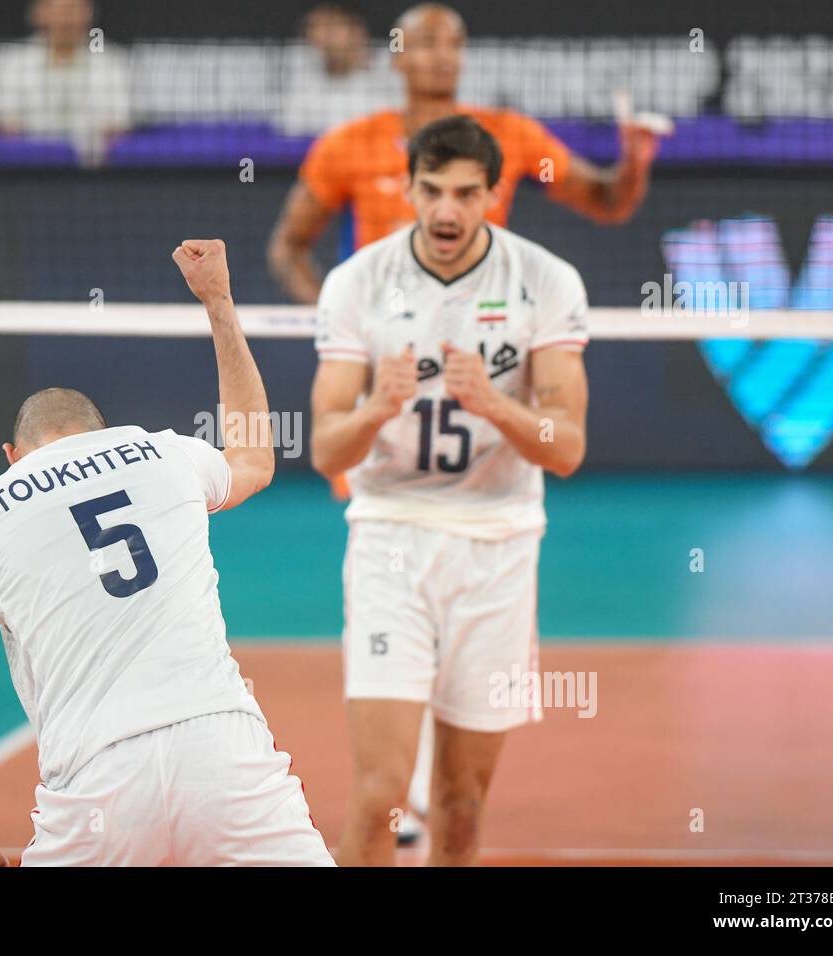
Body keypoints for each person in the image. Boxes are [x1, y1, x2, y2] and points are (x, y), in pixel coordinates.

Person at [0, 240, 334, 867]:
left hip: (95, 787)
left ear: (11, 457)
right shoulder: (162, 452)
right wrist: (217, 301)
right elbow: (253, 457)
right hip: (222, 754)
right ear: (102, 433)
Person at [309, 116, 589, 866]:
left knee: (462, 810)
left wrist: (496, 402)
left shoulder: (546, 281)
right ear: (406, 187)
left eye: (467, 194)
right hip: (390, 541)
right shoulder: (358, 281)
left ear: (494, 195)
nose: (445, 212)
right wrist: (374, 408)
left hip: (498, 548)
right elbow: (323, 447)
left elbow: (569, 450)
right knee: (379, 800)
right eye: (430, 190)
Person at [268, 2, 659, 304]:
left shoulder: (509, 134)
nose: (443, 57)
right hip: (382, 334)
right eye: (427, 43)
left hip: (482, 329)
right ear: (397, 56)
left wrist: (634, 164)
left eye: (454, 44)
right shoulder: (348, 145)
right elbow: (288, 247)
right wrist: (332, 314)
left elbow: (607, 202)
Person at [0, 0, 131, 166]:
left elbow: (116, 127)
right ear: (38, 14)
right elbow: (3, 127)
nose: (66, 18)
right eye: (58, 10)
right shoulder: (7, 64)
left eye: (73, 9)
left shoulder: (114, 64)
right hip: (24, 171)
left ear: (89, 14)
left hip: (94, 173)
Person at [279, 3, 397, 137]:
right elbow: (292, 127)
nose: (320, 36)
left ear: (357, 30)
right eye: (313, 28)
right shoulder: (303, 67)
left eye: (330, 27)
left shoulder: (393, 66)